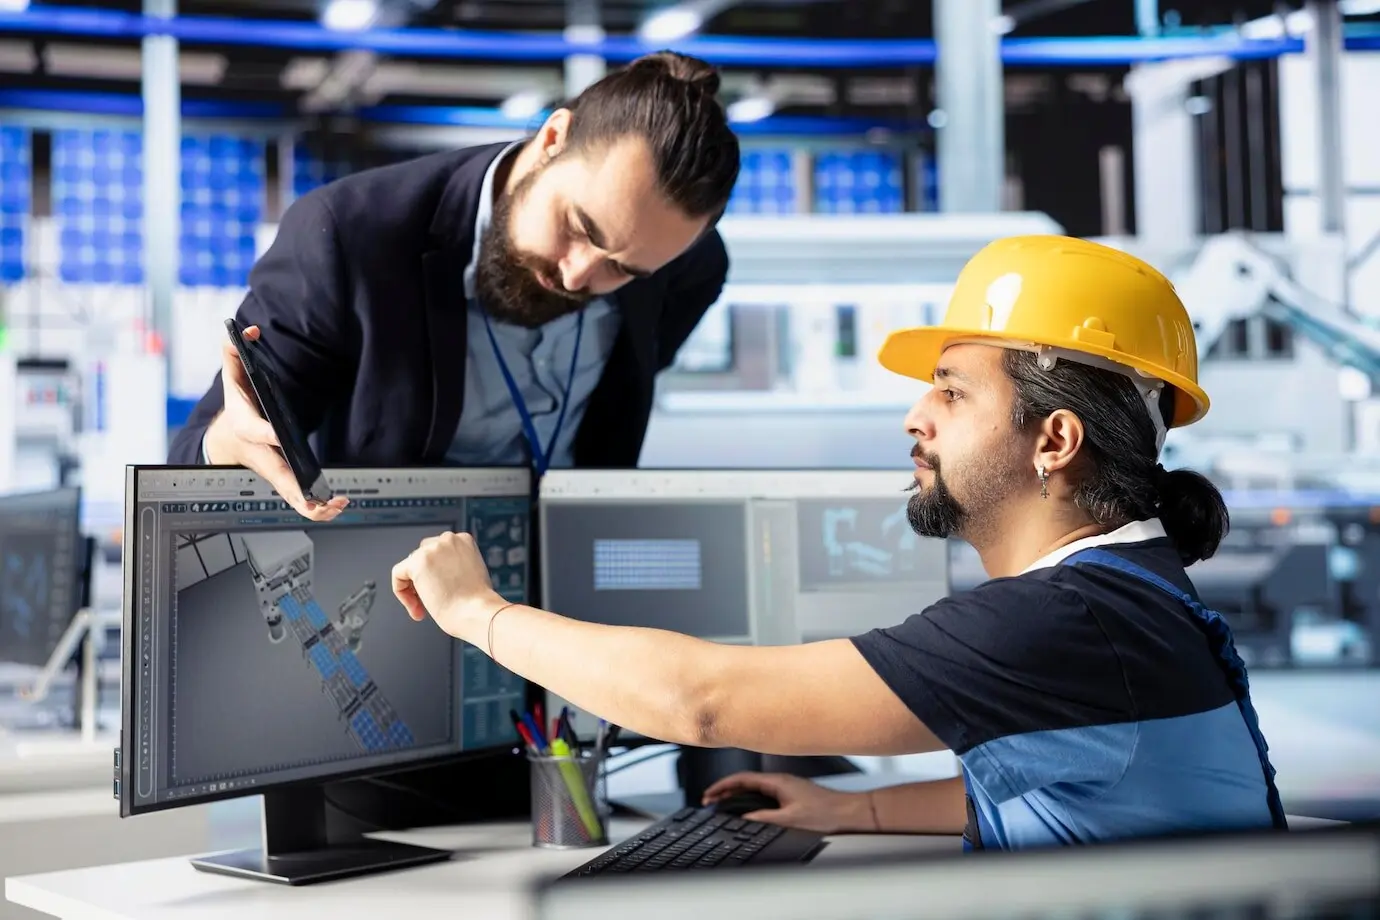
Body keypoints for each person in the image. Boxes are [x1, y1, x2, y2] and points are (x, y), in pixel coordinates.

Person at [390, 234, 1290, 850]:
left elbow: (701, 704)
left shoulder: (1066, 620)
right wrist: (847, 806)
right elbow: (1061, 782)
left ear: (1054, 440)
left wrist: (481, 613)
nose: (915, 416)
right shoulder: (1128, 590)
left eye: (951, 391)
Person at [168, 50, 740, 518]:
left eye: (623, 270)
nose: (577, 275)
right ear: (552, 140)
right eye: (578, 227)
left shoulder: (683, 265)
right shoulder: (350, 240)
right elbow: (187, 467)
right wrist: (226, 446)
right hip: (390, 584)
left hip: (564, 604)